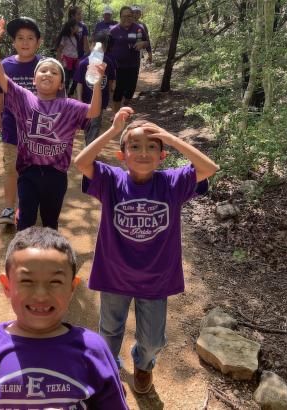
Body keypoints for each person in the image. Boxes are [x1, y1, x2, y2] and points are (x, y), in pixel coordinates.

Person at [74, 108, 219, 394]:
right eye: (135, 146)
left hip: (156, 278)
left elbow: (209, 168)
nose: (143, 152)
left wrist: (171, 139)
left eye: (152, 147)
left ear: (162, 156)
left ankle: (143, 364)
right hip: (114, 274)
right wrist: (115, 131)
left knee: (152, 340)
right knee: (109, 332)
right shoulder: (111, 180)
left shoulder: (172, 183)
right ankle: (109, 367)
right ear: (122, 154)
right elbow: (81, 162)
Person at [0, 227, 128, 409]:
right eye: (27, 281)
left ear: (72, 287)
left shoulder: (93, 349)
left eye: (55, 282)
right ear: (7, 285)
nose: (41, 295)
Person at [0, 19, 103, 231]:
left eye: (54, 72)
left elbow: (93, 112)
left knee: (50, 222)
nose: (47, 74)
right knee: (26, 221)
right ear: (35, 77)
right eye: (43, 71)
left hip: (56, 174)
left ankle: (50, 258)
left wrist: (96, 86)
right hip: (29, 171)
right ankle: (21, 256)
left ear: (60, 83)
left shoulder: (68, 105)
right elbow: (0, 77)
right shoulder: (24, 98)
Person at [0, 17, 42, 225]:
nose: (25, 42)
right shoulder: (5, 65)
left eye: (30, 38)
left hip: (37, 128)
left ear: (38, 42)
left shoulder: (43, 65)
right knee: (11, 168)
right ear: (14, 42)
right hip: (11, 126)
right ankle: (8, 207)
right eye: (20, 38)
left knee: (31, 168)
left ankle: (26, 205)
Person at [73, 32, 116, 145]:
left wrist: (108, 98)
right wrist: (79, 98)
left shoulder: (108, 63)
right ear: (91, 45)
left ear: (105, 48)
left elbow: (110, 82)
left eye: (101, 48)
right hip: (86, 99)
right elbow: (80, 83)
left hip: (100, 100)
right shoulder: (84, 63)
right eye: (95, 46)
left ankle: (89, 146)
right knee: (88, 123)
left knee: (96, 123)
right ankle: (89, 143)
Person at [109, 6, 149, 112]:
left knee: (130, 90)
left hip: (133, 65)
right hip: (118, 66)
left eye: (129, 16)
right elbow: (107, 48)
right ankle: (115, 114)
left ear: (133, 16)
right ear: (120, 17)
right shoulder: (113, 31)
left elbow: (147, 42)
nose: (127, 18)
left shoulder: (138, 28)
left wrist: (143, 43)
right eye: (124, 16)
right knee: (119, 90)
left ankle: (126, 103)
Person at [55, 19, 80, 98]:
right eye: (76, 26)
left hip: (75, 61)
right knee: (66, 80)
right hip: (66, 61)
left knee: (76, 79)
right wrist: (58, 62)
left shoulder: (76, 37)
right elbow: (59, 50)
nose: (78, 27)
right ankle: (64, 97)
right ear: (71, 28)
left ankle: (70, 94)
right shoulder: (65, 37)